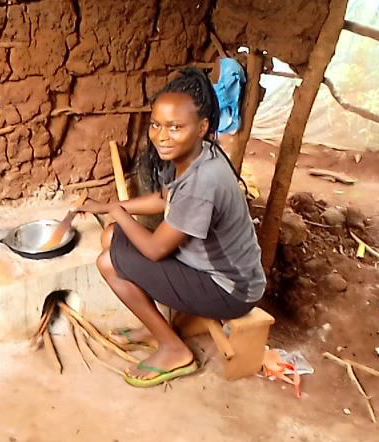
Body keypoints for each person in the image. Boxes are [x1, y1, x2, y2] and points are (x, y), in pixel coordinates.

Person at [76, 68, 266, 388]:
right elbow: (165, 198)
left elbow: (155, 249)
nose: (162, 136)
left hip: (229, 289)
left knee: (108, 261)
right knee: (111, 237)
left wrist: (115, 211)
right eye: (156, 125)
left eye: (175, 127)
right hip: (215, 270)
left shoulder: (203, 182)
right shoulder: (199, 155)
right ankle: (155, 328)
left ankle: (174, 349)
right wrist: (109, 207)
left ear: (202, 127)